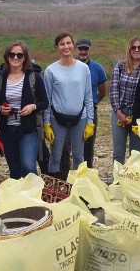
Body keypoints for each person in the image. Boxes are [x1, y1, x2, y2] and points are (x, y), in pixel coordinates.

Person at [0, 41, 48, 178]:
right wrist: (1, 108)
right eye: (12, 54)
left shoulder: (33, 77)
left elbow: (45, 102)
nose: (16, 58)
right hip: (7, 131)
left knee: (29, 167)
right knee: (15, 171)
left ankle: (32, 195)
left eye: (19, 55)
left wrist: (32, 107)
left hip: (28, 130)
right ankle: (17, 198)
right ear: (7, 57)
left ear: (25, 58)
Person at [43, 32, 94, 177]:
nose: (66, 46)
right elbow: (47, 98)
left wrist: (90, 122)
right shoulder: (50, 70)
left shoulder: (83, 69)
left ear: (73, 45)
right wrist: (47, 124)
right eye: (62, 44)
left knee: (79, 155)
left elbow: (88, 96)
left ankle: (79, 188)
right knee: (56, 156)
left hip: (80, 118)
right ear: (57, 48)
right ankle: (54, 190)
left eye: (68, 43)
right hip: (57, 118)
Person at [60, 38, 107, 172]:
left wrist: (94, 102)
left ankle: (86, 175)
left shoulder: (98, 68)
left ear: (90, 51)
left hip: (89, 112)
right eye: (80, 49)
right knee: (66, 146)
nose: (83, 52)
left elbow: (103, 89)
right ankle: (65, 176)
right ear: (76, 50)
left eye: (86, 49)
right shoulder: (67, 66)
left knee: (88, 146)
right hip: (70, 113)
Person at [109, 36, 140, 164]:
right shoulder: (121, 65)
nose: (136, 50)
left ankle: (132, 181)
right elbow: (114, 89)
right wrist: (118, 111)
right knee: (118, 153)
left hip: (139, 115)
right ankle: (117, 180)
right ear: (129, 49)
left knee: (136, 153)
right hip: (120, 112)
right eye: (133, 47)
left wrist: (138, 115)